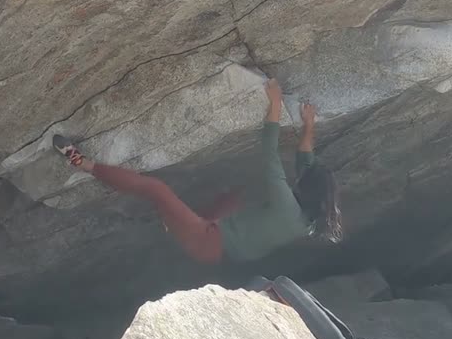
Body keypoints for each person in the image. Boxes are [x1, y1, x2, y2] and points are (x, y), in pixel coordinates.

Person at [53, 78, 342, 264]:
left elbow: (269, 154)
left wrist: (275, 103)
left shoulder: (287, 208)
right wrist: (309, 125)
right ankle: (177, 223)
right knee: (238, 194)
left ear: (308, 189)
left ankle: (83, 164)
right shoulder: (309, 217)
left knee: (157, 190)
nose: (301, 175)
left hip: (208, 244)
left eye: (305, 178)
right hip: (226, 244)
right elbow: (306, 160)